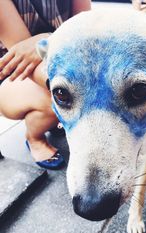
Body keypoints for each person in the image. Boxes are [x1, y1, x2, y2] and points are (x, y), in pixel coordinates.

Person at [0, 0, 91, 169]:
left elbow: (84, 30)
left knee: (79, 87)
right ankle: (35, 139)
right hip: (11, 72)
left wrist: (47, 39)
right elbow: (25, 59)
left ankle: (58, 118)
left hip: (59, 60)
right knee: (56, 98)